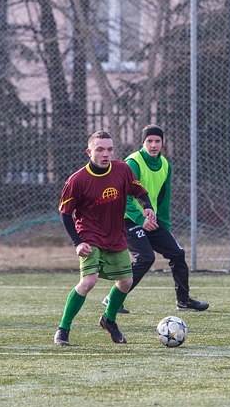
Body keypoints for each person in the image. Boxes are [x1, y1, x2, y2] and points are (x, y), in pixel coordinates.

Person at [54, 130, 157, 346]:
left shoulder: (122, 170)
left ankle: (108, 320)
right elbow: (65, 213)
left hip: (115, 235)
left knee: (126, 282)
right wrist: (78, 242)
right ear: (89, 151)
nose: (105, 154)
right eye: (100, 149)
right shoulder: (77, 180)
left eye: (109, 149)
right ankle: (63, 329)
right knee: (88, 281)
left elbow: (139, 191)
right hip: (89, 235)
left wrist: (147, 207)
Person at [103, 124, 208, 315]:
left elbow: (163, 199)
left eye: (157, 141)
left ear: (162, 143)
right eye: (149, 141)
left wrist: (164, 227)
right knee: (146, 257)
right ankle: (113, 299)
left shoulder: (165, 165)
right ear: (142, 143)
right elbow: (122, 197)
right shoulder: (132, 163)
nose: (153, 145)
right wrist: (139, 218)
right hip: (127, 219)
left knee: (177, 253)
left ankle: (183, 301)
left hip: (151, 219)